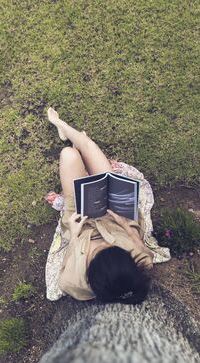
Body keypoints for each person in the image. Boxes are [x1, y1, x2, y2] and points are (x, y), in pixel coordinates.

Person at [47, 107, 154, 304]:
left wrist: (74, 233)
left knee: (69, 154)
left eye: (98, 250)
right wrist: (124, 225)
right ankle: (62, 126)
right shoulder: (138, 264)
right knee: (88, 146)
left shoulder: (74, 282)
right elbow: (143, 251)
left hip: (81, 219)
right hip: (115, 214)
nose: (105, 243)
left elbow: (66, 260)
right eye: (112, 247)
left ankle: (75, 146)